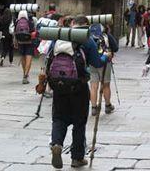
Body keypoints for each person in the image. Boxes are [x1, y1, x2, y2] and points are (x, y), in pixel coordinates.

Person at [47, 15, 111, 169]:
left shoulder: (58, 37)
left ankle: (56, 144)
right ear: (86, 26)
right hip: (79, 87)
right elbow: (96, 62)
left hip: (59, 85)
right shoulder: (87, 40)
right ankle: (77, 158)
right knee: (79, 122)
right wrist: (105, 57)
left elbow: (49, 57)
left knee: (59, 118)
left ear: (73, 24)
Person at [89, 23, 119, 116]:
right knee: (106, 85)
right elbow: (115, 48)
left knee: (94, 86)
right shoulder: (107, 36)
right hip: (105, 62)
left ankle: (94, 108)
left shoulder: (89, 35)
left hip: (92, 62)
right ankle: (107, 105)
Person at [13, 10, 35, 84]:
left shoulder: (17, 22)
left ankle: (24, 74)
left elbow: (15, 33)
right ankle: (26, 75)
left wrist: (15, 42)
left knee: (23, 58)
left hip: (20, 42)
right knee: (28, 59)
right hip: (29, 42)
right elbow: (33, 32)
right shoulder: (30, 22)